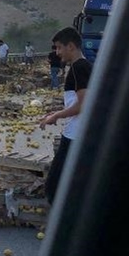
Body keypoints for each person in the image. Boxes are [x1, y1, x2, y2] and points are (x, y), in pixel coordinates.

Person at [39, 27, 93, 204]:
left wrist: (56, 117)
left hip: (76, 134)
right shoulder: (81, 66)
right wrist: (58, 113)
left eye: (59, 47)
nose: (57, 52)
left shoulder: (79, 67)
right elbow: (76, 103)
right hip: (77, 132)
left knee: (54, 186)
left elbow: (82, 105)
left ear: (70, 46)